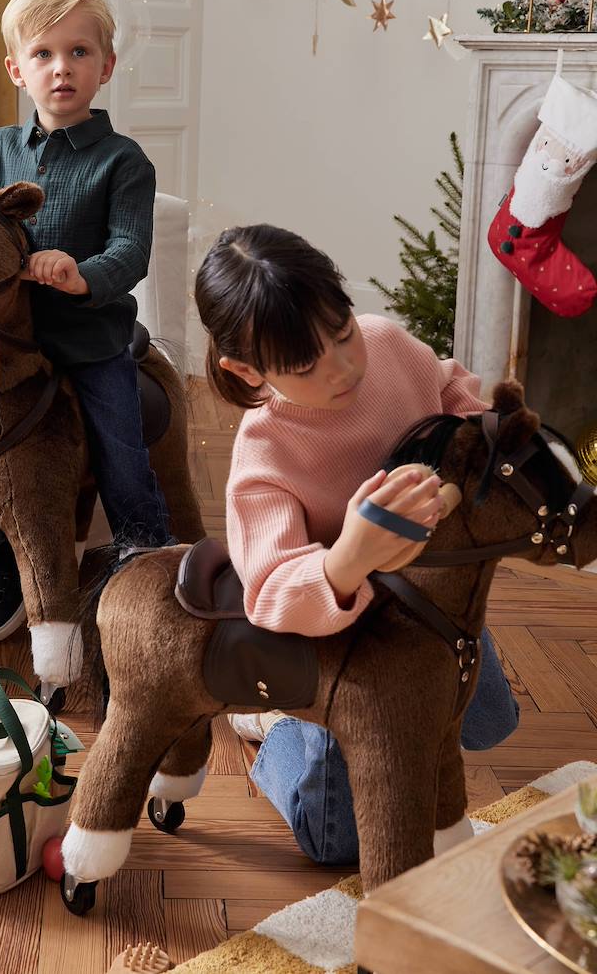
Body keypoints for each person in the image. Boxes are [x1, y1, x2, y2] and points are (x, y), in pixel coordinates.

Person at [194, 223, 519, 866]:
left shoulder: (388, 343)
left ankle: (399, 735)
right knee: (332, 838)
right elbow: (270, 591)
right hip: (343, 642)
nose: (342, 367)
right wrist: (350, 555)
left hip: (432, 608)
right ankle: (269, 721)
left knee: (489, 724)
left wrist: (486, 433)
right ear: (246, 369)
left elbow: (457, 393)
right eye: (305, 365)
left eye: (341, 333)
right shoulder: (265, 451)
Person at [0, 0, 171, 643]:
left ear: (106, 66)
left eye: (79, 52)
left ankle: (145, 563)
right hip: (11, 345)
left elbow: (131, 252)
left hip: (91, 340)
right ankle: (9, 563)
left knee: (122, 454)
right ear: (17, 69)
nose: (60, 67)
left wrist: (77, 274)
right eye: (42, 54)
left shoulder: (124, 162)